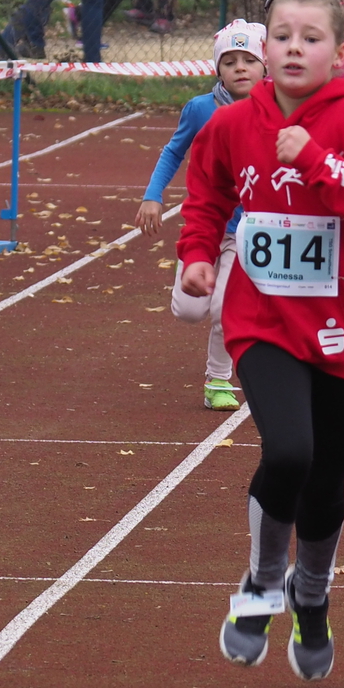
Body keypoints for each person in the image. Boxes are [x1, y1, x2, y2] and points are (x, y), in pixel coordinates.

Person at [179, 0, 344, 681]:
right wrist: (197, 255)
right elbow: (206, 190)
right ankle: (260, 582)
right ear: (265, 46)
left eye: (311, 38)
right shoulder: (231, 124)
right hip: (264, 318)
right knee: (288, 452)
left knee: (327, 478)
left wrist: (313, 157)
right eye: (281, 36)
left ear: (339, 55)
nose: (292, 48)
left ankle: (311, 592)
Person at [136, 20, 268, 410]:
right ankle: (191, 278)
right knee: (191, 310)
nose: (240, 68)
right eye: (230, 61)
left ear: (265, 65)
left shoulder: (278, 108)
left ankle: (218, 381)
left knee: (226, 308)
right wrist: (152, 195)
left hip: (248, 230)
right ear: (218, 69)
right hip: (208, 225)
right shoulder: (200, 109)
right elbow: (173, 152)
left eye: (249, 60)